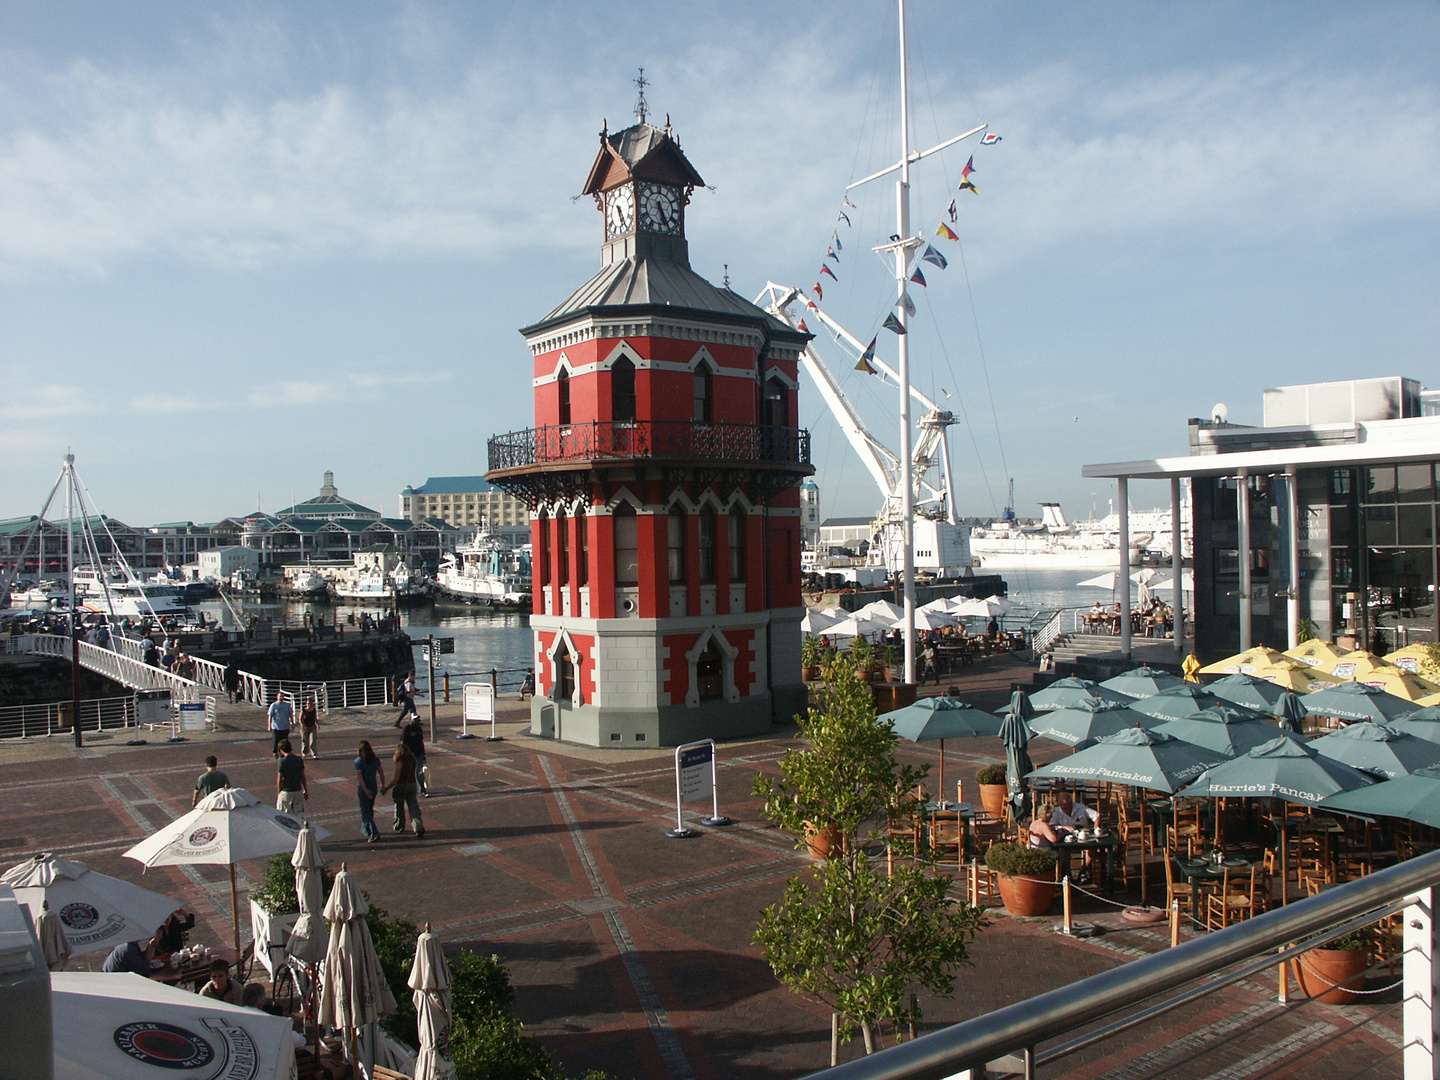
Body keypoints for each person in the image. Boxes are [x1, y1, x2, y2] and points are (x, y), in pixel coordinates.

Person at [383, 744, 424, 839]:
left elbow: (396, 779)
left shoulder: (400, 762)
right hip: (412, 785)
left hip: (401, 786)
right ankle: (418, 827)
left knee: (399, 807)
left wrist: (387, 788)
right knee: (413, 808)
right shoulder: (412, 761)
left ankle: (399, 826)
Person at [354, 740, 386, 843]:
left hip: (365, 789)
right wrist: (383, 785)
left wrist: (365, 791)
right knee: (369, 809)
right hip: (373, 787)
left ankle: (373, 832)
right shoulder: (375, 759)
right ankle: (367, 829)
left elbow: (360, 779)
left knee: (365, 811)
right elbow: (381, 772)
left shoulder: (358, 762)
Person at [276, 740, 307, 814]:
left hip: (286, 790)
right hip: (297, 790)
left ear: (281, 750)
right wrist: (305, 790)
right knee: (299, 813)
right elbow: (302, 776)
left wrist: (279, 792)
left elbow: (279, 779)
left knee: (282, 814)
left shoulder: (282, 762)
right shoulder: (298, 760)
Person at [400, 713, 427, 796]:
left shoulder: (419, 729)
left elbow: (421, 742)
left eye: (417, 719)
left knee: (419, 772)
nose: (416, 721)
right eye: (415, 719)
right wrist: (405, 753)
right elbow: (402, 742)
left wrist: (423, 754)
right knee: (408, 772)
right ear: (410, 719)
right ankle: (407, 789)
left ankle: (422, 790)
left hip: (419, 753)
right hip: (410, 754)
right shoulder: (407, 729)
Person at [267, 690, 294, 757]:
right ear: (277, 697)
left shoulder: (287, 705)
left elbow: (290, 715)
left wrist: (292, 723)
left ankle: (283, 752)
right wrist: (269, 725)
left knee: (284, 741)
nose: (281, 698)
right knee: (276, 740)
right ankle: (275, 751)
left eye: (282, 696)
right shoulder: (273, 705)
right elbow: (270, 716)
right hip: (276, 726)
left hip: (285, 726)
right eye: (280, 696)